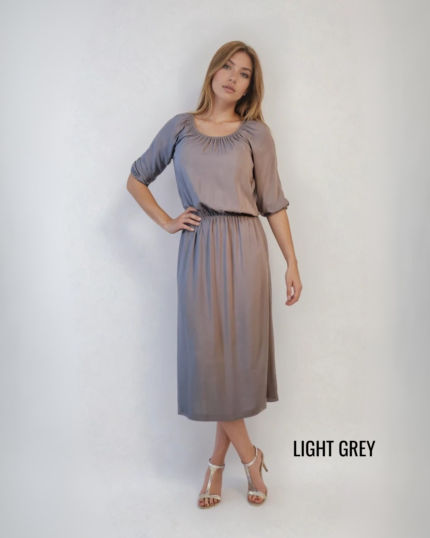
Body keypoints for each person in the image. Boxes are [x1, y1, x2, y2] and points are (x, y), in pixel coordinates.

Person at [127, 41, 302, 509]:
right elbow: (136, 178)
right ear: (212, 71)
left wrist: (292, 261)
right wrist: (167, 221)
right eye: (227, 67)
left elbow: (273, 203)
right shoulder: (180, 128)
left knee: (236, 363)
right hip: (199, 247)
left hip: (246, 249)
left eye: (244, 74)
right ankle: (251, 458)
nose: (233, 77)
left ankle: (216, 466)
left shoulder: (256, 134)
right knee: (209, 361)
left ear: (249, 87)